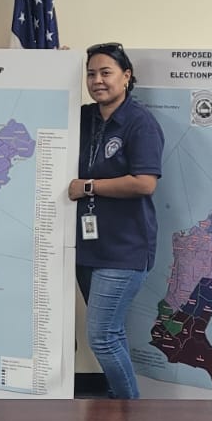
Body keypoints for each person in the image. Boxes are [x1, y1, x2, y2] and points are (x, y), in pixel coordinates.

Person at [67, 42, 163, 399]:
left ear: (126, 76)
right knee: (111, 332)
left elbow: (144, 182)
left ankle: (128, 409)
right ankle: (117, 404)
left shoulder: (140, 123)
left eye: (106, 72)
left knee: (102, 337)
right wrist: (52, 61)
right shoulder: (84, 117)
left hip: (124, 250)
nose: (97, 80)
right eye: (91, 73)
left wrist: (88, 186)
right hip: (88, 247)